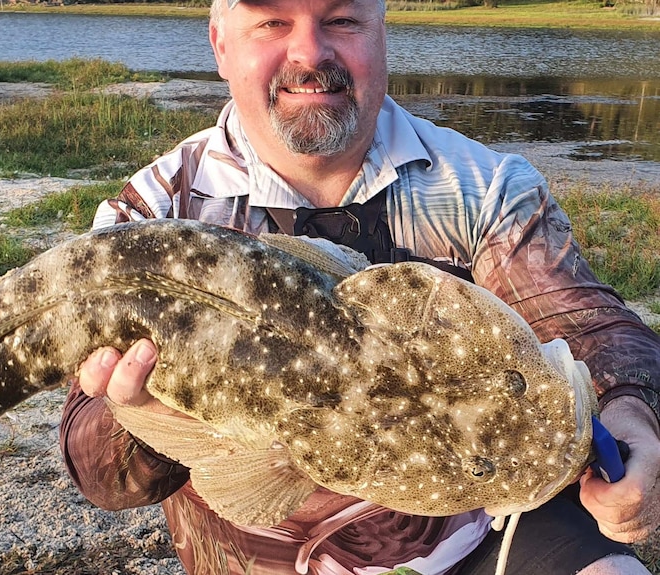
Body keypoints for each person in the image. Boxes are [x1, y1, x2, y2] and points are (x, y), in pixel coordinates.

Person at [60, 0, 660, 573]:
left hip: (490, 535)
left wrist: (630, 410)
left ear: (381, 34)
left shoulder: (486, 188)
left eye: (342, 19)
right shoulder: (150, 221)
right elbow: (96, 470)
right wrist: (141, 414)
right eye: (271, 22)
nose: (308, 52)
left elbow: (581, 319)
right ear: (220, 44)